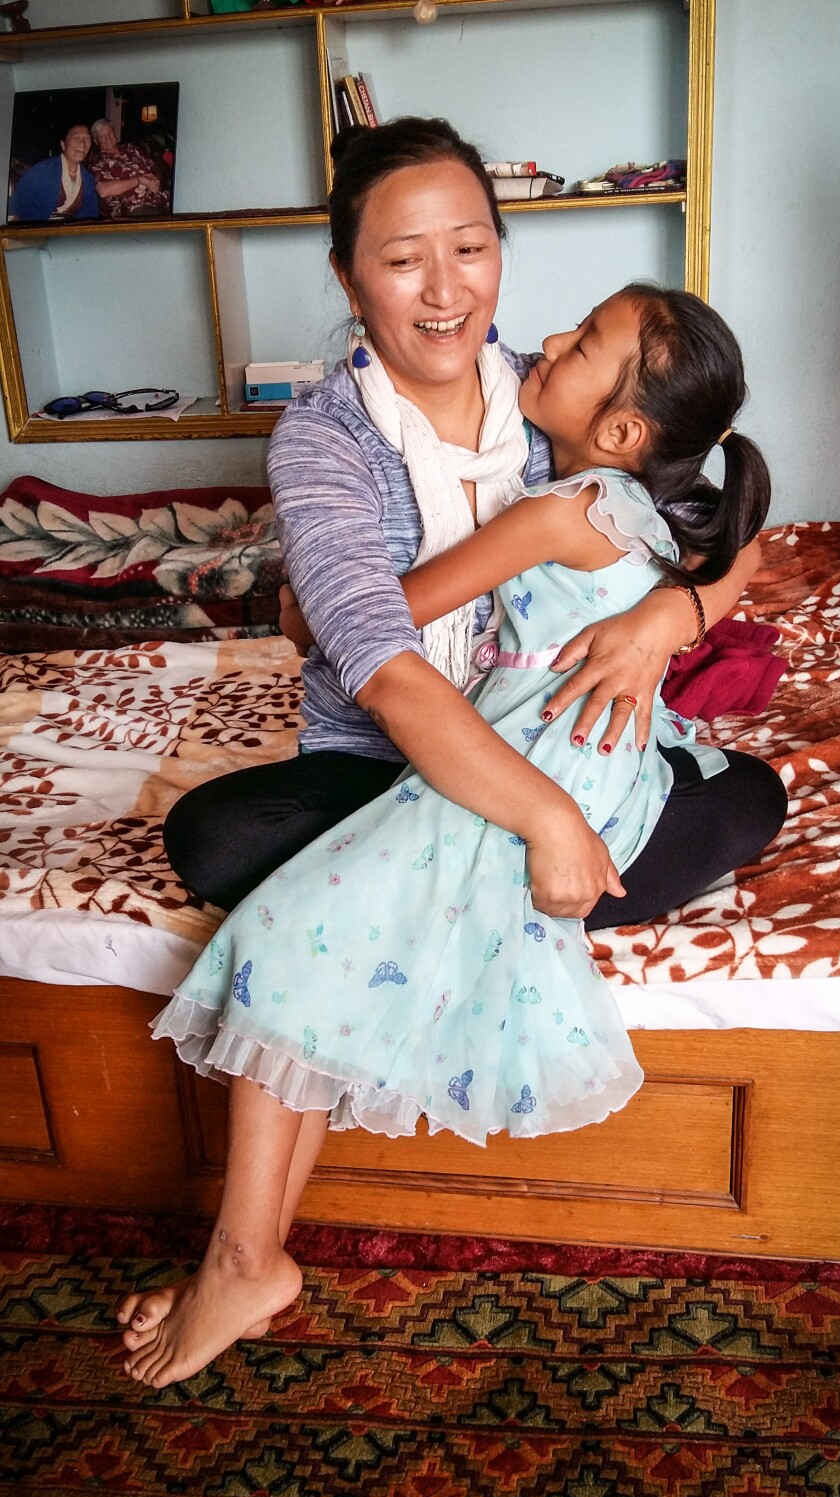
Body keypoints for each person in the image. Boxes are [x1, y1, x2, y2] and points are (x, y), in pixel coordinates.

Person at [118, 275, 777, 1389]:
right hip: (592, 777)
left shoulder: (559, 510)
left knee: (284, 935)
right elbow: (731, 548)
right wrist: (670, 606)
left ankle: (242, 1257)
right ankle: (248, 1258)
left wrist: (297, 603)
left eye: (582, 345)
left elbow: (380, 615)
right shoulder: (640, 506)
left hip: (519, 774)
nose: (550, 339)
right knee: (290, 893)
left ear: (619, 431)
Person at [162, 118, 784, 935]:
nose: (445, 291)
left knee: (751, 793)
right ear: (349, 280)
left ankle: (413, 902)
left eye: (468, 247)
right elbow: (380, 667)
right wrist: (546, 818)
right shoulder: (324, 437)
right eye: (401, 259)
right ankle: (514, 879)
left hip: (557, 741)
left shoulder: (553, 397)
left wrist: (656, 626)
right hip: (386, 767)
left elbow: (729, 535)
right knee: (214, 836)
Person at [7, 123, 98, 222]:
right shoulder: (43, 170)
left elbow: (91, 215)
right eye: (76, 137)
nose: (83, 144)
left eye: (87, 138)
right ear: (63, 145)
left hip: (70, 233)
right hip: (37, 230)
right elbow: (15, 204)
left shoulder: (88, 179)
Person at [88, 119, 169, 219]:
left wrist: (154, 180)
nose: (108, 138)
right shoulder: (98, 162)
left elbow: (153, 168)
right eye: (102, 136)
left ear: (115, 133)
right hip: (132, 209)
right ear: (96, 141)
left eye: (110, 133)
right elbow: (103, 190)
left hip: (161, 198)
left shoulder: (131, 148)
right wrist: (139, 179)